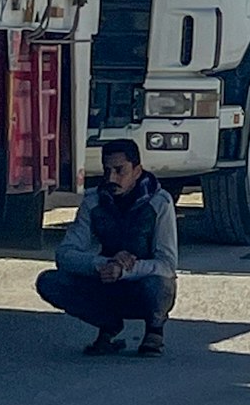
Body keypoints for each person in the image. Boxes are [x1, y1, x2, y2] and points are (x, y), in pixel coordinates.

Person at [36, 139, 178, 356]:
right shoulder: (93, 201)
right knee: (50, 281)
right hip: (106, 281)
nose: (112, 178)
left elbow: (167, 265)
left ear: (137, 171)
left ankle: (154, 329)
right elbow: (64, 254)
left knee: (159, 285)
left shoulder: (160, 203)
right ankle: (109, 325)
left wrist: (127, 270)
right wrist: (102, 264)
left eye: (120, 170)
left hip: (142, 285)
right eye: (107, 170)